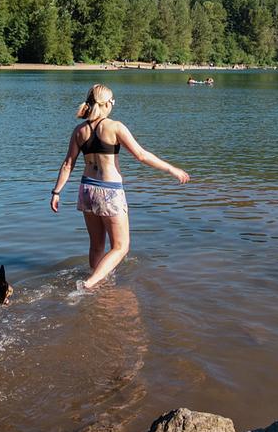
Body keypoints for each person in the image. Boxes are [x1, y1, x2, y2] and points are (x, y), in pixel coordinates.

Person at [50, 84, 189, 288]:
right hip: (109, 191)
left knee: (97, 245)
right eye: (113, 101)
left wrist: (56, 192)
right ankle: (90, 283)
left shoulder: (79, 130)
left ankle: (96, 282)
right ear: (106, 103)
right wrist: (172, 169)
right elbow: (141, 155)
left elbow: (67, 164)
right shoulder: (114, 127)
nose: (113, 104)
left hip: (87, 190)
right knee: (121, 247)